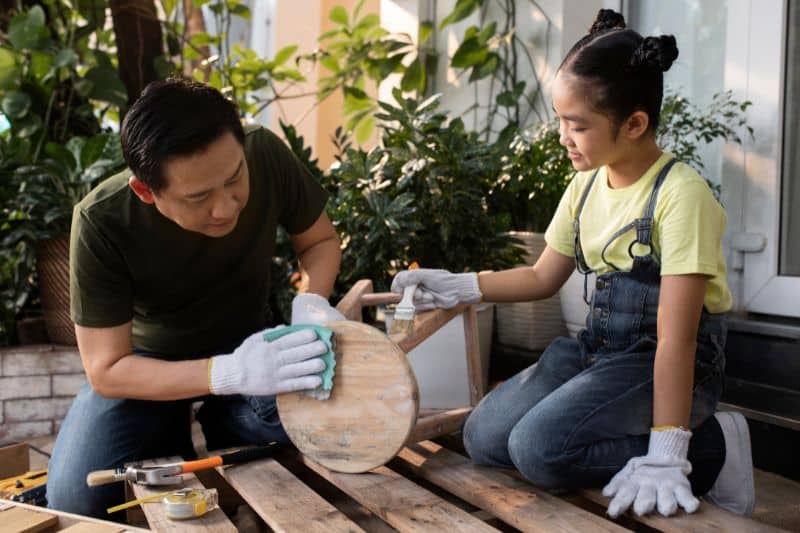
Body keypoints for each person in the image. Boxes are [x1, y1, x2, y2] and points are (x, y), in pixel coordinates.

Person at [392, 9, 753, 519]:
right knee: (483, 436)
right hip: (601, 350)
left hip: (670, 360)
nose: (562, 135)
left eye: (577, 125)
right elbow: (542, 276)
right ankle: (643, 433)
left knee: (538, 451)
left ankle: (710, 445)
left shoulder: (681, 196)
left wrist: (667, 451)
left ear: (634, 123)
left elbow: (677, 339)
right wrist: (461, 285)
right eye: (560, 119)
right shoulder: (586, 184)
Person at [46, 79, 345, 518]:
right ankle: (177, 421)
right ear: (146, 192)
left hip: (253, 345)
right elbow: (106, 370)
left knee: (330, 432)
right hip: (151, 367)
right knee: (77, 497)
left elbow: (319, 242)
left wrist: (310, 306)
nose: (226, 207)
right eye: (199, 197)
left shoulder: (263, 151)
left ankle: (224, 419)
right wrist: (226, 374)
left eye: (234, 179)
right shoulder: (100, 221)